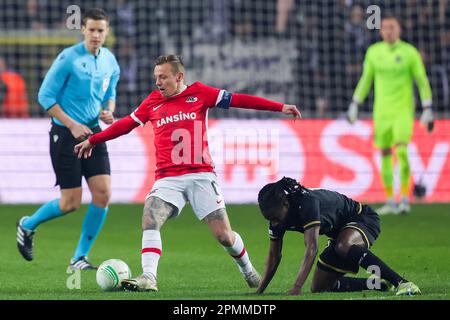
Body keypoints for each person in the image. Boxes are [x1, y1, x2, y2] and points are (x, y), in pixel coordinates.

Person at [74, 54, 301, 292]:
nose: (158, 83)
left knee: (224, 236)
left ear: (179, 76)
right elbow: (125, 125)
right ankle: (149, 277)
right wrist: (93, 140)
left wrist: (279, 107)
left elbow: (238, 100)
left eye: (163, 77)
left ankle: (248, 270)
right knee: (150, 217)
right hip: (167, 177)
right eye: (156, 77)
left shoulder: (201, 93)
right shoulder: (152, 102)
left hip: (201, 175)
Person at [16, 8, 120, 270]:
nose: (96, 35)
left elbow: (111, 89)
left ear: (106, 32)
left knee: (103, 194)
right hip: (65, 134)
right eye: (92, 30)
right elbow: (45, 97)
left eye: (101, 30)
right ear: (83, 30)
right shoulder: (68, 59)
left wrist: (109, 109)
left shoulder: (109, 60)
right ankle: (27, 225)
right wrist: (72, 125)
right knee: (70, 203)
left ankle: (78, 258)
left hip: (94, 132)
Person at [256, 177, 421, 296]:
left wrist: (297, 286)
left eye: (276, 218)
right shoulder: (276, 217)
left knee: (344, 246)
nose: (274, 223)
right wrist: (260, 291)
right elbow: (273, 256)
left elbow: (311, 247)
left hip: (362, 219)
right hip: (339, 234)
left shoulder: (307, 202)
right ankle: (378, 284)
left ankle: (402, 283)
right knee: (319, 287)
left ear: (286, 204)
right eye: (269, 219)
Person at [346, 15, 433, 215]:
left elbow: (421, 80)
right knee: (384, 153)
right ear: (381, 31)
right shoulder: (374, 52)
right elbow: (365, 79)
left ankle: (404, 198)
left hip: (403, 111)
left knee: (401, 151)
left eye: (392, 27)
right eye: (384, 27)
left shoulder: (409, 52)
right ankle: (390, 200)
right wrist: (355, 104)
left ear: (399, 29)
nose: (388, 31)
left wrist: (427, 107)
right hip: (381, 112)